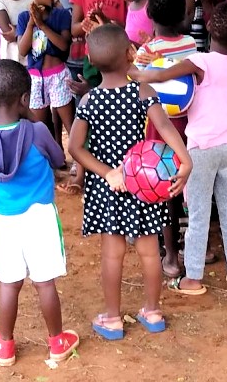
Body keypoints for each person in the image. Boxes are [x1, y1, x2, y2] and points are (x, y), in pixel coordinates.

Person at [67, 24, 191, 339]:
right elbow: (164, 126)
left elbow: (75, 148)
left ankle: (111, 318)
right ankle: (153, 312)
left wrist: (107, 172)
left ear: (91, 62)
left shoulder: (89, 101)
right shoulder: (143, 91)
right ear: (129, 54)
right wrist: (185, 160)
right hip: (144, 183)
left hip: (109, 187)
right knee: (151, 252)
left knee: (113, 254)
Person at [132, 3, 227, 295]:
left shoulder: (199, 62)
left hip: (200, 148)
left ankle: (193, 278)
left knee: (198, 215)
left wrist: (132, 72)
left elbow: (160, 77)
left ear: (208, 28)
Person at [0, 60, 79, 367]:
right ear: (25, 99)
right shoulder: (36, 131)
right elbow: (59, 159)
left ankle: (5, 346)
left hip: (6, 221)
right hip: (40, 216)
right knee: (45, 283)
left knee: (10, 283)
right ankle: (57, 342)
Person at [131, 0, 197, 278]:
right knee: (190, 188)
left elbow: (135, 78)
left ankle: (170, 255)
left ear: (148, 13)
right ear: (183, 13)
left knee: (164, 188)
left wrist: (145, 55)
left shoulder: (148, 50)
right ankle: (196, 246)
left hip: (160, 129)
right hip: (189, 123)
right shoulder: (192, 44)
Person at [17, 0, 74, 138]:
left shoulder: (62, 15)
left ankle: (79, 163)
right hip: (35, 78)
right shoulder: (23, 17)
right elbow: (22, 50)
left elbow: (63, 45)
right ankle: (54, 158)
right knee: (41, 127)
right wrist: (30, 25)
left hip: (58, 76)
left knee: (70, 124)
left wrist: (42, 25)